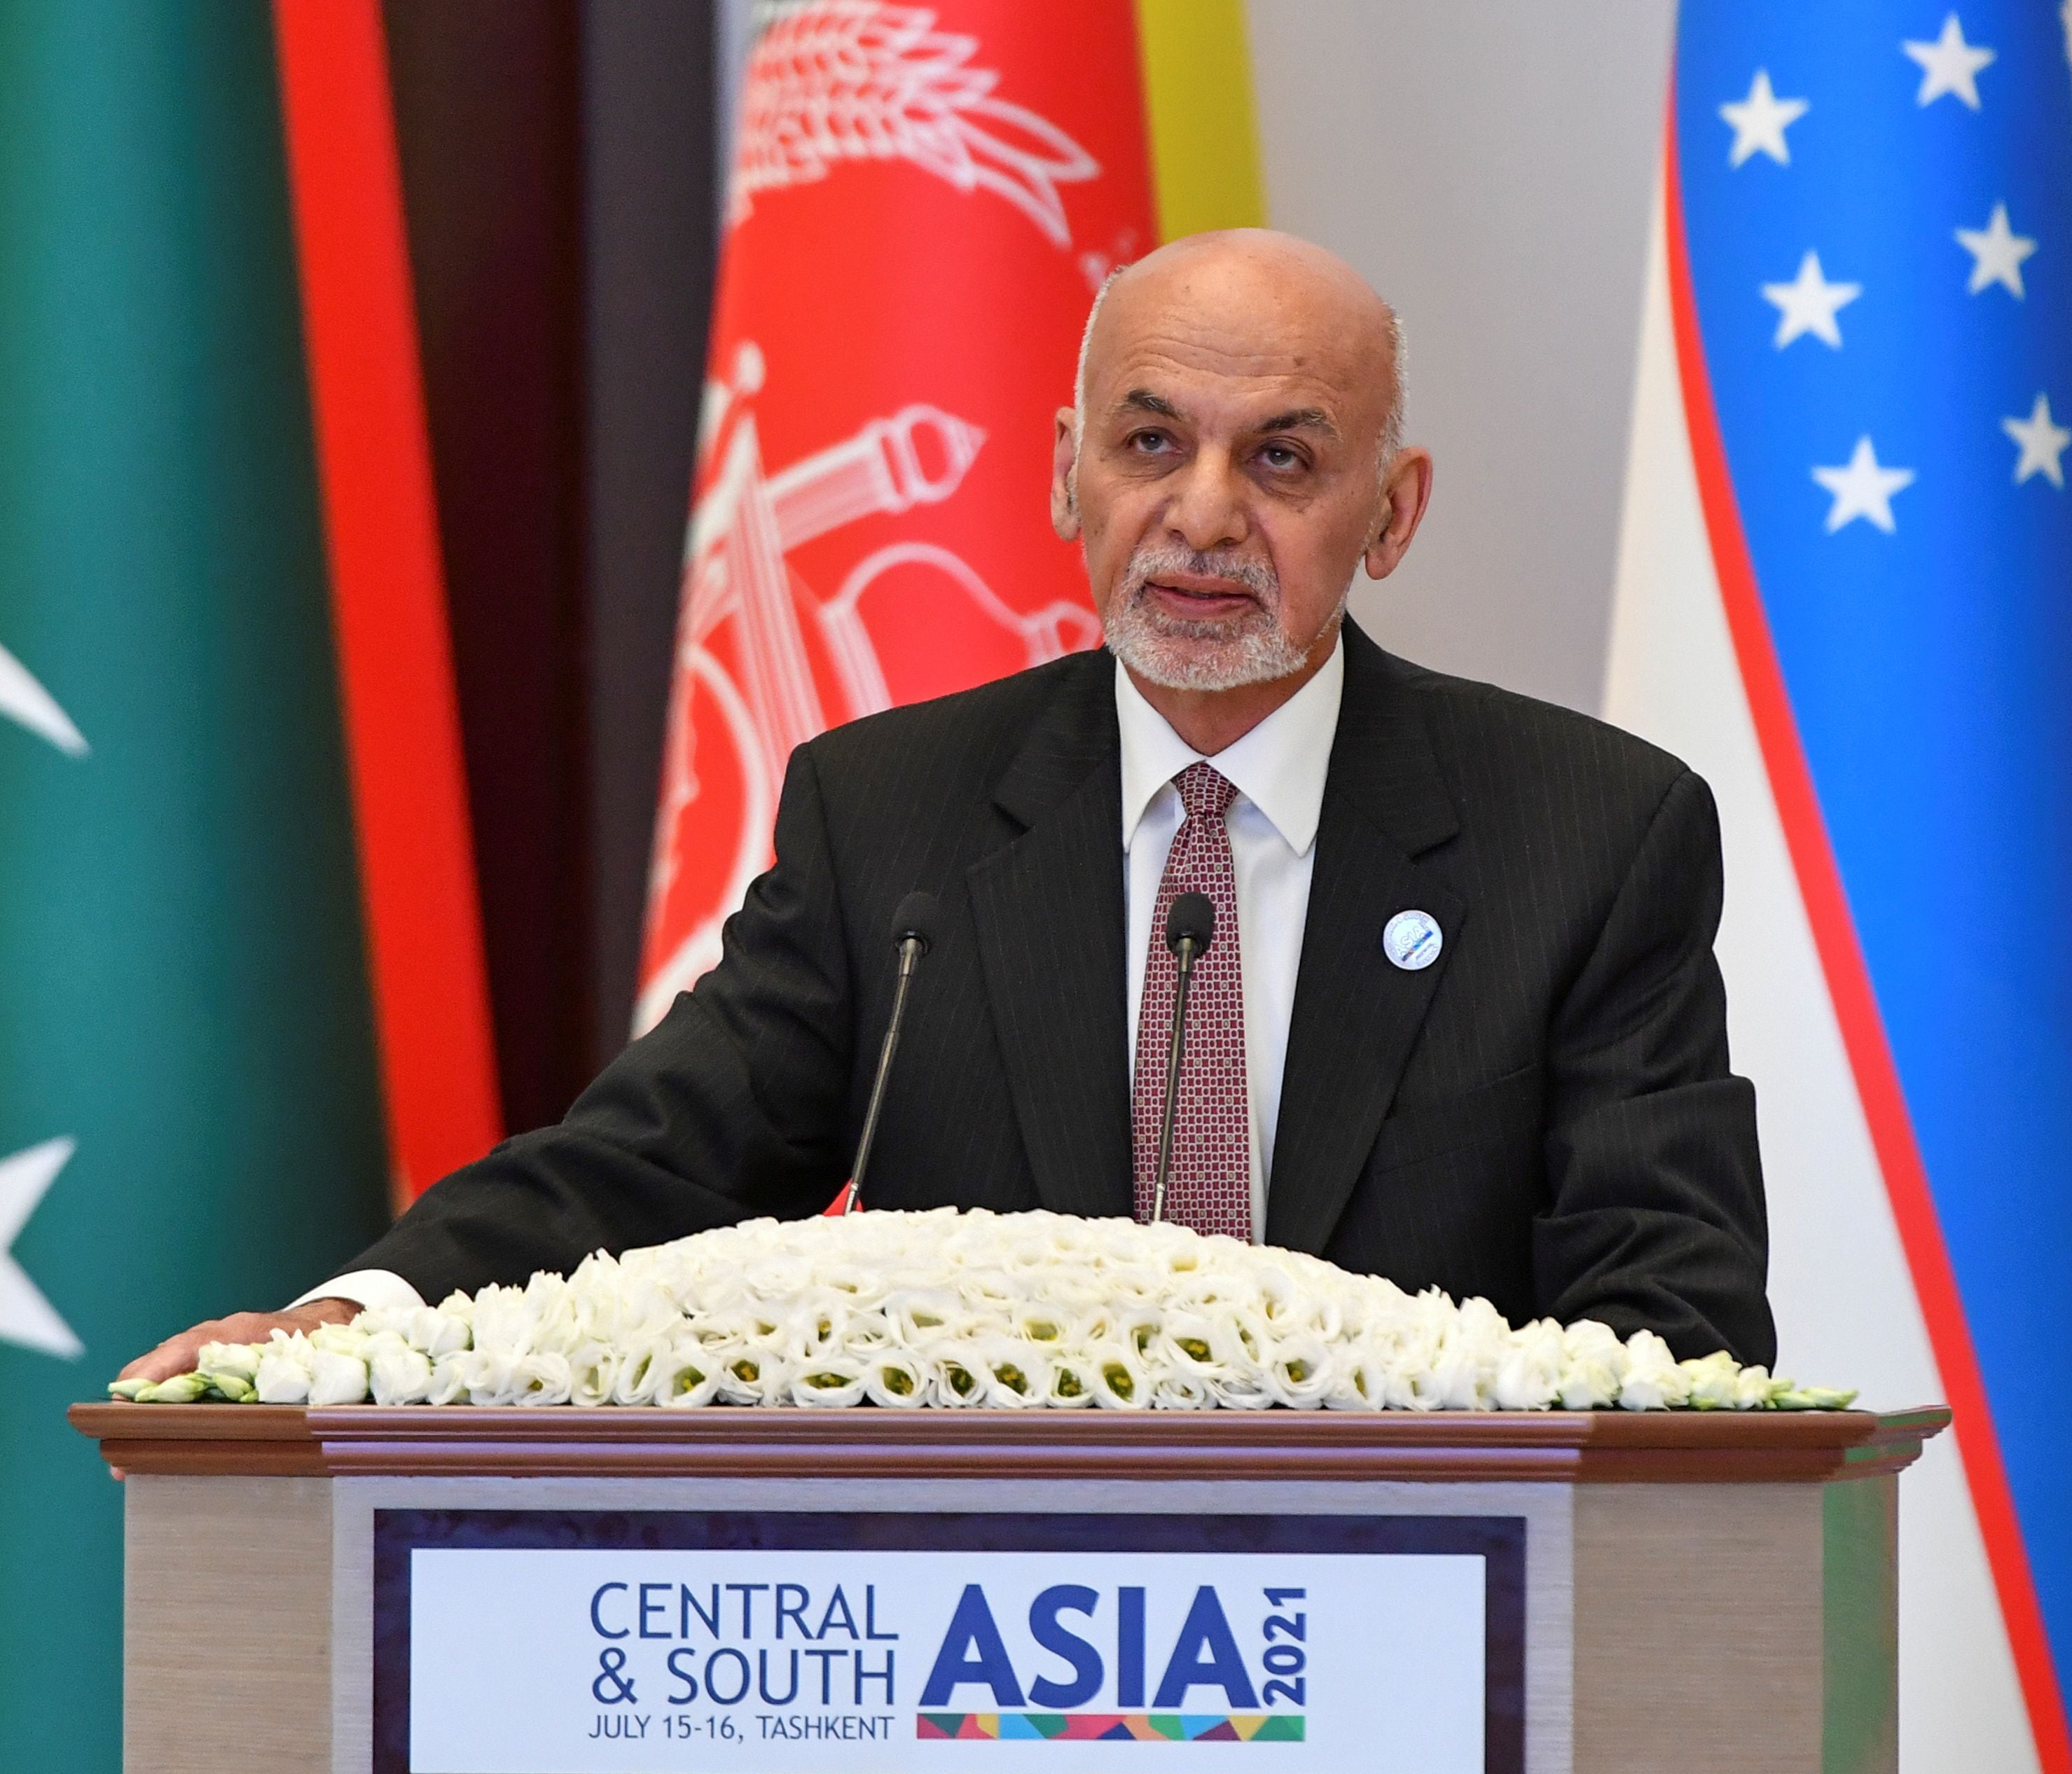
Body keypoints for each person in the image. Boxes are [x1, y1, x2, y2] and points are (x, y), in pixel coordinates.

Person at [122, 229, 1771, 1385]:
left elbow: (1672, 1320)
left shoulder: (1584, 836)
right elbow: (647, 1163)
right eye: (1149, 443)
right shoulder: (891, 820)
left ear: (1389, 514)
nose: (1201, 516)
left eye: (1280, 459)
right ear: (1066, 472)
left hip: (1424, 1646)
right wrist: (358, 1315)